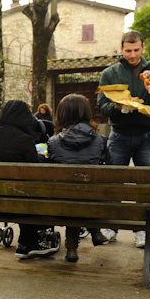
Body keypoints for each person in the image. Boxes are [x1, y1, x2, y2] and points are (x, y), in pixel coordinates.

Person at [98, 30, 150, 248]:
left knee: (145, 185)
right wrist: (116, 105)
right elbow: (100, 106)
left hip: (146, 134)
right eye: (128, 50)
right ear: (121, 49)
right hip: (119, 134)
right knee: (115, 184)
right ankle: (111, 226)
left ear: (143, 47)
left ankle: (141, 229)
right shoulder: (109, 73)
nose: (132, 55)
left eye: (136, 50)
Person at [0, 99, 58, 258]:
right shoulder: (24, 139)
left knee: (21, 194)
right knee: (29, 194)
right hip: (18, 203)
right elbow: (35, 174)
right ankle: (28, 243)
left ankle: (27, 242)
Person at [46, 94, 109, 261]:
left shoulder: (53, 142)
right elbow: (111, 169)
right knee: (87, 193)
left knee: (71, 194)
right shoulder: (100, 140)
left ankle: (72, 248)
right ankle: (94, 231)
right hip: (93, 200)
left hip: (61, 201)